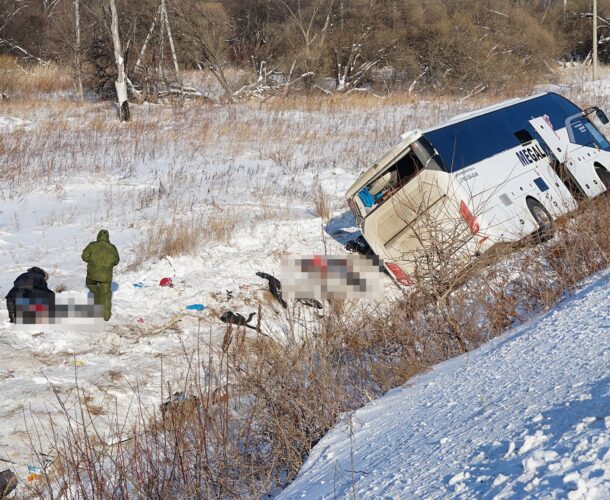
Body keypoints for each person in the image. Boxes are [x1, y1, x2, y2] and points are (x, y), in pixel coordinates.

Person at [82, 229, 120, 321]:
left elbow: (84, 256)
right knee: (106, 294)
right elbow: (116, 261)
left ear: (98, 236)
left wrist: (92, 262)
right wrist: (107, 265)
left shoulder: (92, 245)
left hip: (92, 274)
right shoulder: (112, 247)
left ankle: (97, 305)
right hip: (106, 275)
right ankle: (106, 316)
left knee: (91, 285)